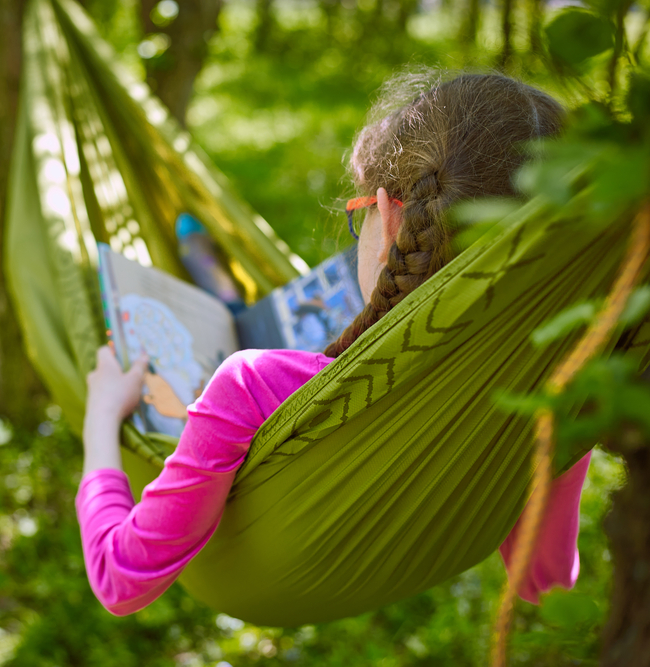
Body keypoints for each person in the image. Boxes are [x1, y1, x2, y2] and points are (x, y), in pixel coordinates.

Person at [77, 73, 589, 616]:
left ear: (391, 218)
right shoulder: (561, 387)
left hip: (255, 557)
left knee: (249, 334)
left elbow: (119, 578)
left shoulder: (251, 384)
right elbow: (544, 580)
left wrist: (101, 420)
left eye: (359, 212)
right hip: (392, 550)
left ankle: (220, 293)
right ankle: (223, 293)